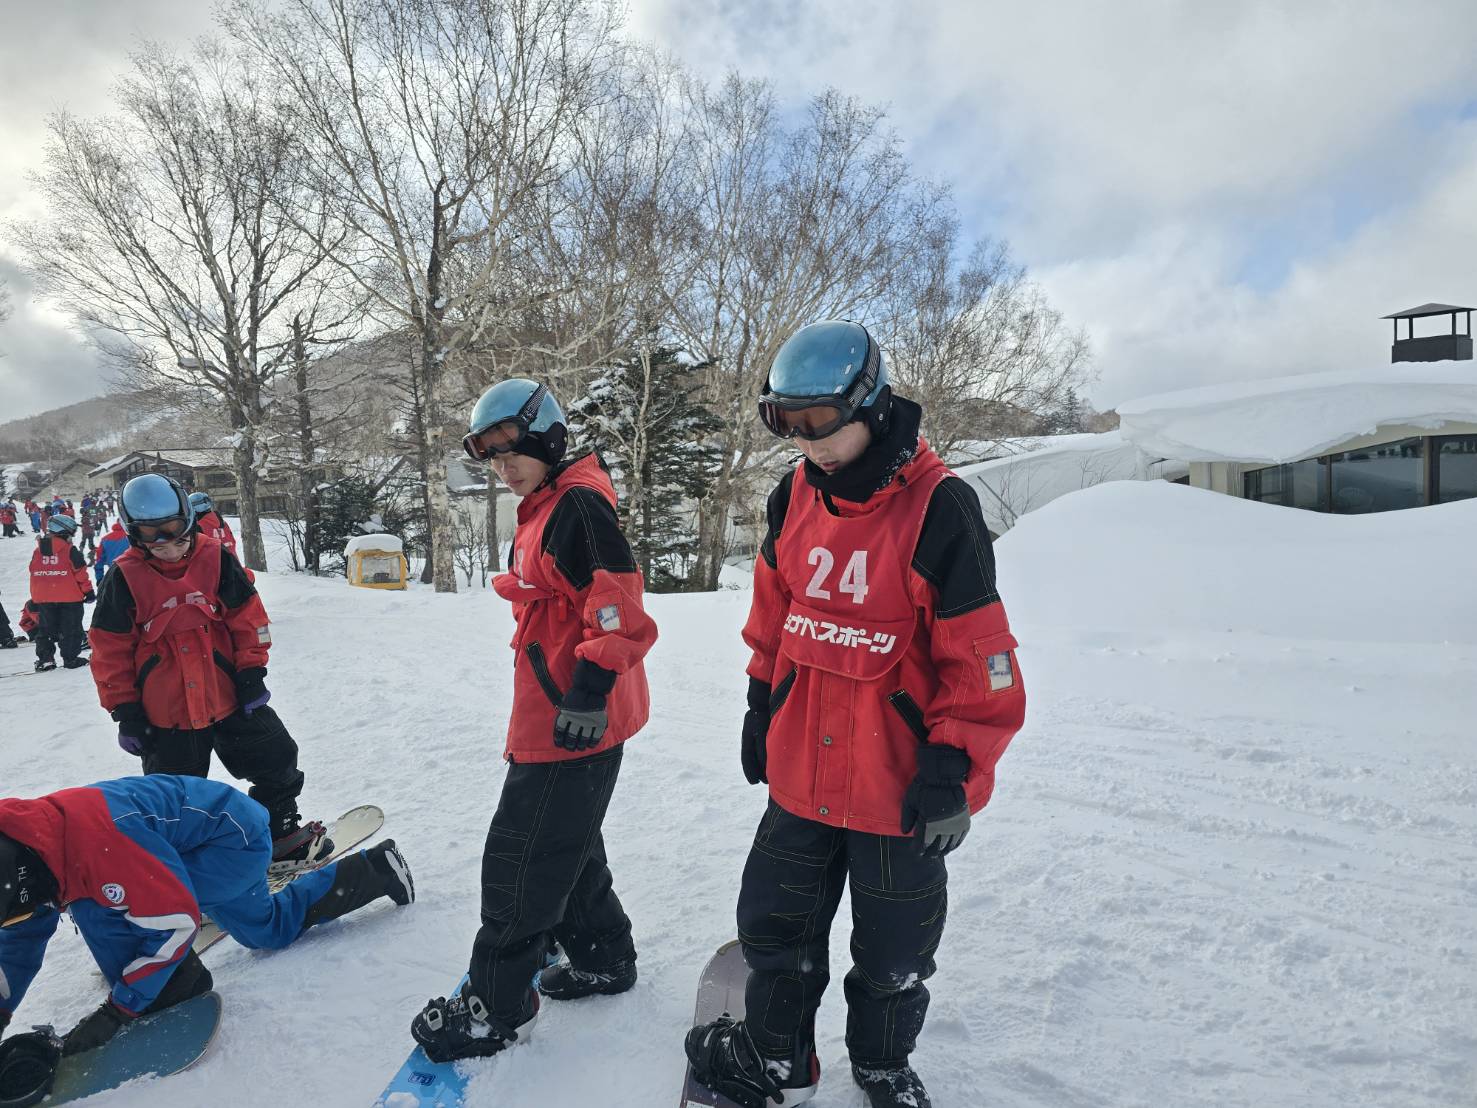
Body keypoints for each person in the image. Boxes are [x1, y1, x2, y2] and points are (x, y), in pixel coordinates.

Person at [682, 321, 1028, 1108]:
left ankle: (880, 1065)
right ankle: (775, 1056)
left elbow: (980, 658)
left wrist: (954, 768)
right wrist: (759, 699)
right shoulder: (793, 493)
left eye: (819, 424)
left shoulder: (940, 508)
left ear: (868, 403)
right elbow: (775, 611)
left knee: (893, 952)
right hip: (802, 766)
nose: (806, 445)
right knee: (774, 927)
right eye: (785, 425)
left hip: (896, 784)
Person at [409, 378, 658, 1064]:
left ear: (546, 436)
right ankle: (603, 956)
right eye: (489, 457)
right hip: (559, 707)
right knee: (566, 842)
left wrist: (586, 689)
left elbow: (618, 604)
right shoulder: (549, 500)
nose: (501, 466)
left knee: (520, 860)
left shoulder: (576, 504)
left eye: (510, 449)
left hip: (570, 717)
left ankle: (496, 1007)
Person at [0, 774, 413, 1056]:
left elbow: (176, 923)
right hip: (172, 848)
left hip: (230, 839)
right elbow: (18, 941)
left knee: (266, 929)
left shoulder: (99, 849)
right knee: (108, 903)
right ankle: (169, 930)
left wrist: (120, 1009)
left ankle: (375, 869)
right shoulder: (31, 849)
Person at [88, 473, 332, 868]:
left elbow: (249, 618)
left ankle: (281, 832)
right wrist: (126, 712)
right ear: (134, 535)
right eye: (154, 537)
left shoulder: (215, 557)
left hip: (229, 696)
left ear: (188, 519)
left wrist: (252, 672)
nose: (168, 545)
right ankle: (185, 867)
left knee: (277, 757)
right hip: (167, 714)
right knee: (175, 798)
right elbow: (108, 651)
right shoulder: (124, 577)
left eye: (177, 533)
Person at [28, 512, 93, 673]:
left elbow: (33, 570)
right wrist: (88, 592)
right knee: (71, 629)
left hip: (44, 599)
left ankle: (46, 659)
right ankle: (71, 658)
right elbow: (81, 573)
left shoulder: (38, 551)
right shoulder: (70, 551)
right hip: (70, 598)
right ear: (66, 532)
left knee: (45, 630)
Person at [188, 491, 238, 559]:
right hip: (232, 565)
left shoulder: (198, 527)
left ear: (193, 509)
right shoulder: (223, 524)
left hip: (213, 567)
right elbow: (232, 544)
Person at [93, 518, 129, 586]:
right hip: (133, 575)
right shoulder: (132, 537)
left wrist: (99, 579)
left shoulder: (105, 539)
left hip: (115, 575)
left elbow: (99, 562)